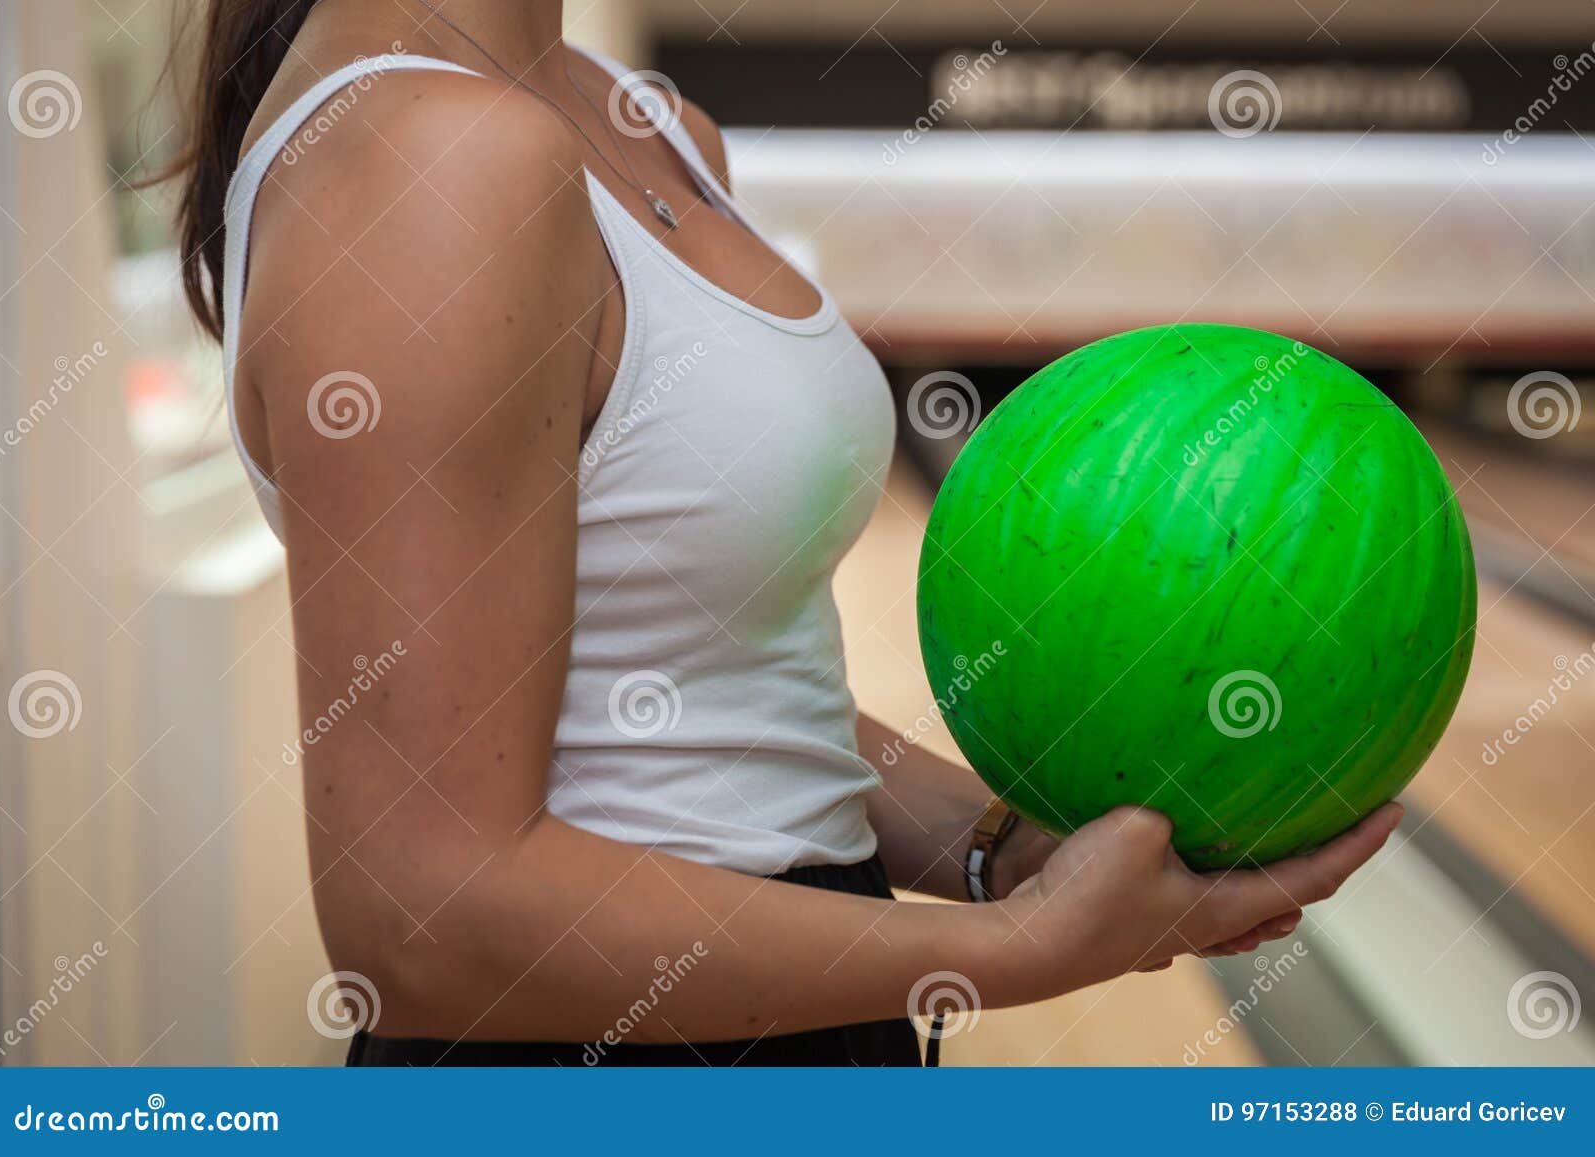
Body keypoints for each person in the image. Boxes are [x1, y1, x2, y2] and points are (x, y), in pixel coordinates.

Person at [169, 0, 1401, 1066]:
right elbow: (425, 914)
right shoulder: (429, 161)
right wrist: (1012, 950)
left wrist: (999, 855)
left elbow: (724, 698)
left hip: (798, 1014)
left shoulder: (629, 116)